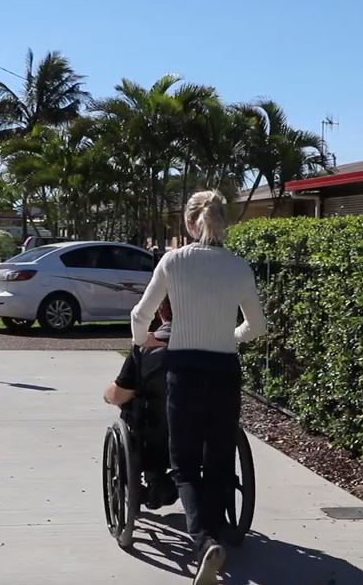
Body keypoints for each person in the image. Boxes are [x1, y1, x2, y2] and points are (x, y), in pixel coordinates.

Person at [129, 190, 266, 585]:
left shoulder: (173, 262)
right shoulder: (240, 267)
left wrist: (145, 342)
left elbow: (142, 314)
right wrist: (230, 336)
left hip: (183, 371)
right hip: (224, 370)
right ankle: (219, 528)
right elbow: (256, 327)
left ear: (190, 224)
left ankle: (205, 542)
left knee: (184, 462)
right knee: (220, 456)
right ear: (225, 222)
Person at [103, 297, 177, 509]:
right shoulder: (208, 346)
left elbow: (119, 394)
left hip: (153, 434)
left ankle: (151, 479)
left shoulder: (146, 347)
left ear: (161, 311)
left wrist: (107, 396)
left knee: (129, 405)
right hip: (198, 432)